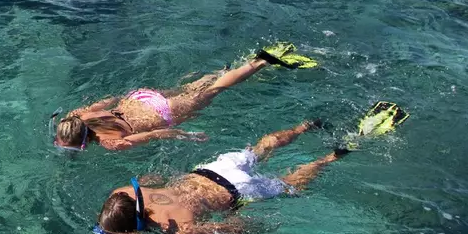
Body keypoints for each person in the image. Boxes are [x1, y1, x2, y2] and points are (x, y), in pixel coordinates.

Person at [91, 103, 407, 234]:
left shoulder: (180, 232)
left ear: (132, 231)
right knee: (260, 149)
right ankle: (307, 125)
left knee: (289, 185)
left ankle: (334, 155)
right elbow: (151, 179)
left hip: (237, 193)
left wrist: (258, 227)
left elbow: (228, 228)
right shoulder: (125, 191)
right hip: (211, 170)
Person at [51, 43, 319, 152]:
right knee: (194, 90)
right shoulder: (77, 115)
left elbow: (155, 135)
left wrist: (188, 135)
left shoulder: (111, 143)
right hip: (140, 98)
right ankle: (222, 70)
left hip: (161, 113)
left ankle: (261, 62)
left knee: (215, 91)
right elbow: (109, 99)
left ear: (84, 144)